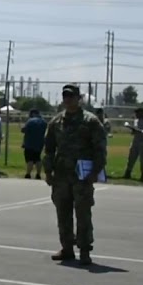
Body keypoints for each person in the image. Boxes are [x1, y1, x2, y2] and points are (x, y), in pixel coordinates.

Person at [42, 84, 108, 265]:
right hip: (61, 176)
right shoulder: (56, 122)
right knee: (63, 213)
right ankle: (67, 248)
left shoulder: (90, 121)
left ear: (79, 99)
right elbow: (48, 149)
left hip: (82, 177)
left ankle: (85, 250)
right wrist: (48, 171)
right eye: (65, 96)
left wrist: (96, 171)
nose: (68, 99)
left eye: (71, 96)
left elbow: (100, 149)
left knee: (83, 213)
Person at [21, 109, 47, 180]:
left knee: (30, 159)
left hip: (29, 143)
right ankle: (38, 174)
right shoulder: (44, 122)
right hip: (39, 143)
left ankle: (28, 174)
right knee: (38, 158)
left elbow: (23, 130)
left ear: (33, 114)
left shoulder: (30, 121)